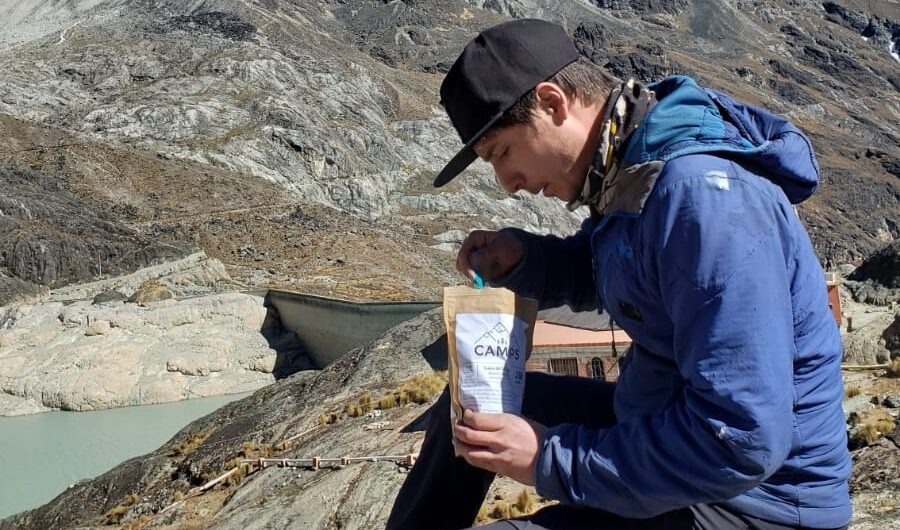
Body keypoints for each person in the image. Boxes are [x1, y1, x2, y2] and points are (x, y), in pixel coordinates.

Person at [386, 18, 851, 530]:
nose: (508, 185)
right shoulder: (629, 174)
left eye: (501, 153)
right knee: (474, 407)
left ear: (552, 102)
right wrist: (524, 260)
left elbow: (742, 438)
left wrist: (546, 457)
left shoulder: (700, 201)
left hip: (752, 499)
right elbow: (621, 275)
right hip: (665, 418)